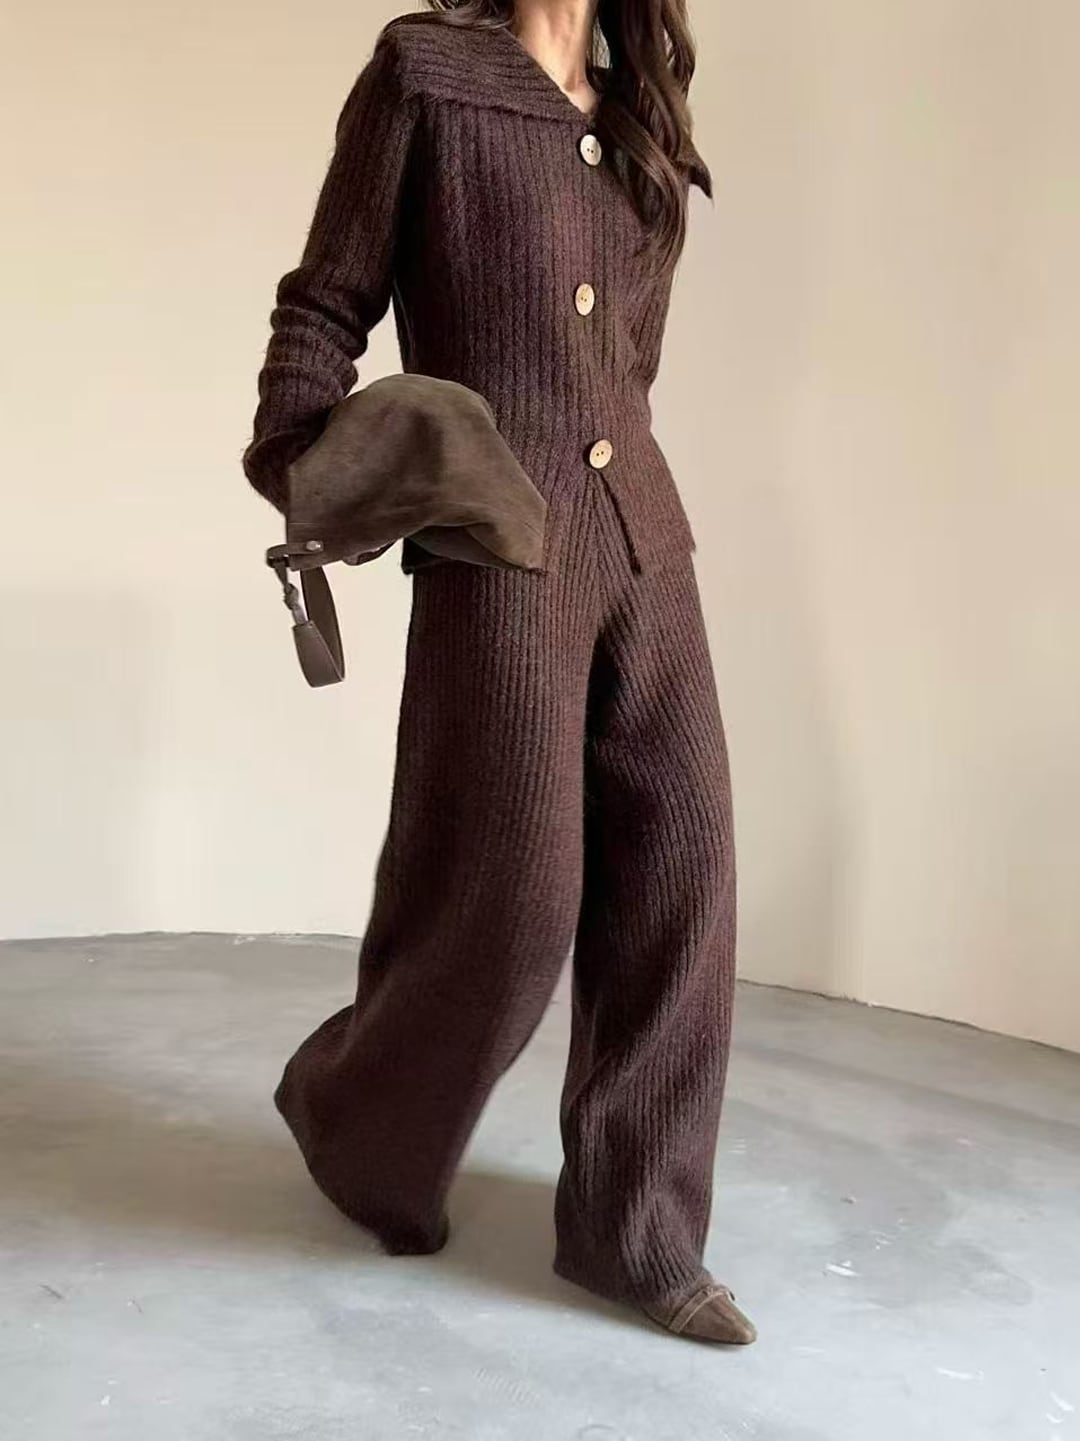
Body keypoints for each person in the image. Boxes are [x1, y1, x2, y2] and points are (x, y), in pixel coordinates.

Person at [242, 0, 756, 1346]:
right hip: (500, 539)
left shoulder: (636, 116)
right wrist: (305, 463)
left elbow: (628, 361)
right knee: (515, 890)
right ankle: (357, 1121)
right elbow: (326, 301)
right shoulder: (427, 72)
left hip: (644, 539)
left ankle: (637, 1233)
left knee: (686, 870)